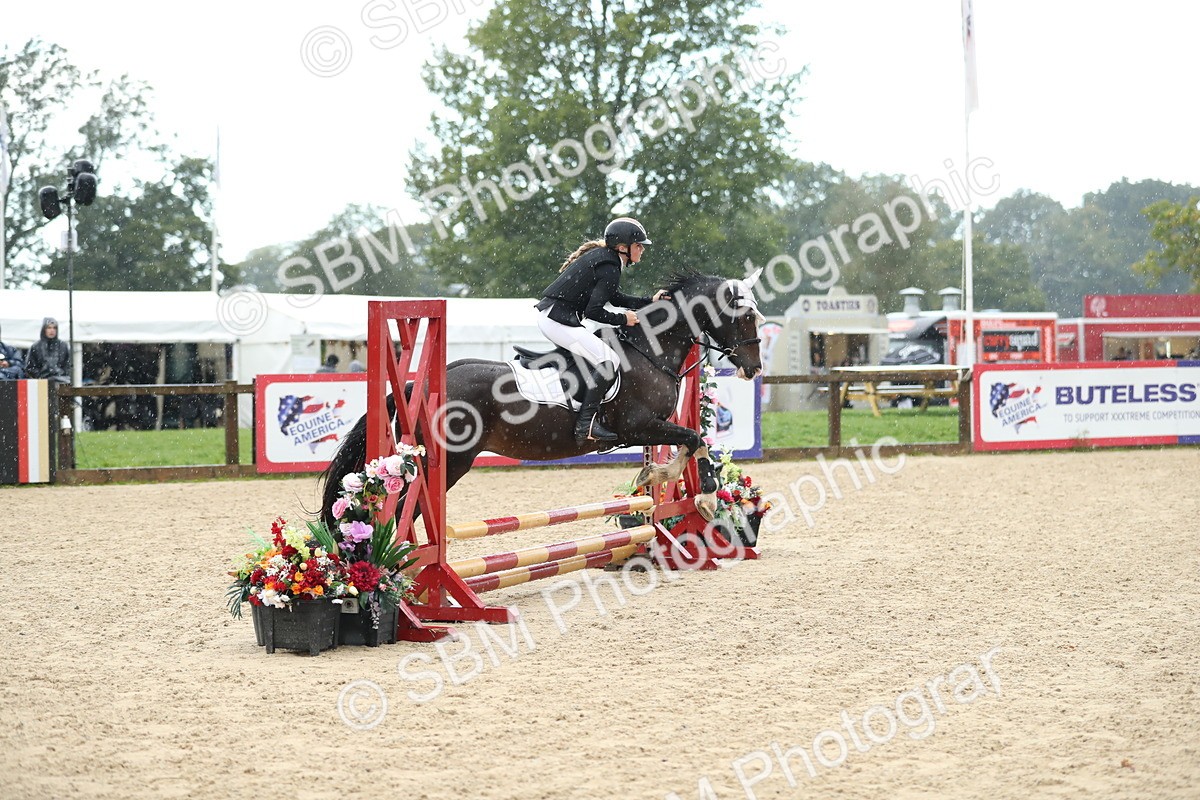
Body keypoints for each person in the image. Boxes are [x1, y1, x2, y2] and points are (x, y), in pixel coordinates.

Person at [536, 217, 669, 443]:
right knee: (609, 360)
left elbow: (614, 298)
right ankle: (585, 424)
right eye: (638, 245)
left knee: (599, 358)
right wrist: (623, 319)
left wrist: (650, 301)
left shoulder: (607, 260)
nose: (642, 250)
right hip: (557, 321)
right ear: (623, 248)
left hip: (554, 317)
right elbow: (594, 311)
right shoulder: (610, 266)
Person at [24, 317, 71, 384]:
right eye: (49, 328)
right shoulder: (36, 346)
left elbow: (68, 365)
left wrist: (62, 373)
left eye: (54, 328)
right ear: (44, 329)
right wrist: (41, 375)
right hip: (42, 382)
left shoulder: (63, 346)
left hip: (62, 380)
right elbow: (30, 367)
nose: (52, 330)